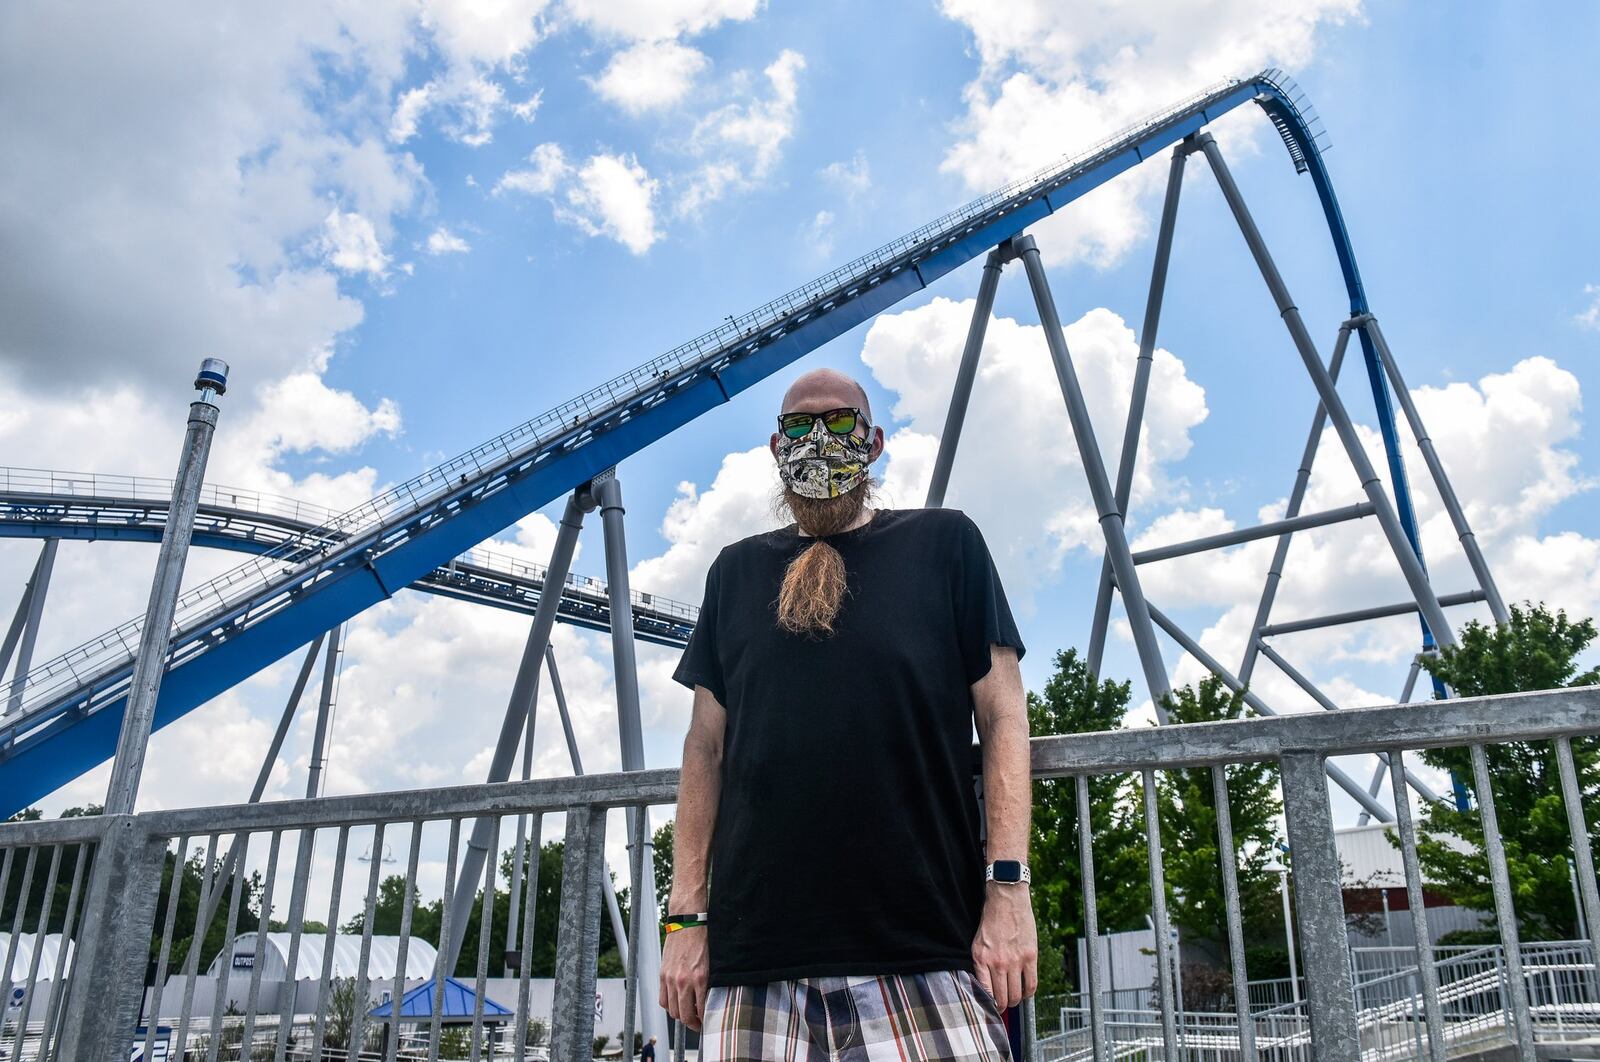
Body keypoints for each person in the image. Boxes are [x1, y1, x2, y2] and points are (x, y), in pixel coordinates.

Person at [659, 367, 1036, 1059]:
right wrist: (686, 921)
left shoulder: (946, 545)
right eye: (800, 426)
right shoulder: (733, 572)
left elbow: (1005, 715)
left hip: (925, 952)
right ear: (776, 447)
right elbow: (704, 749)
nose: (818, 440)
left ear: (875, 442)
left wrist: (1008, 889)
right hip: (755, 965)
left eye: (840, 423)